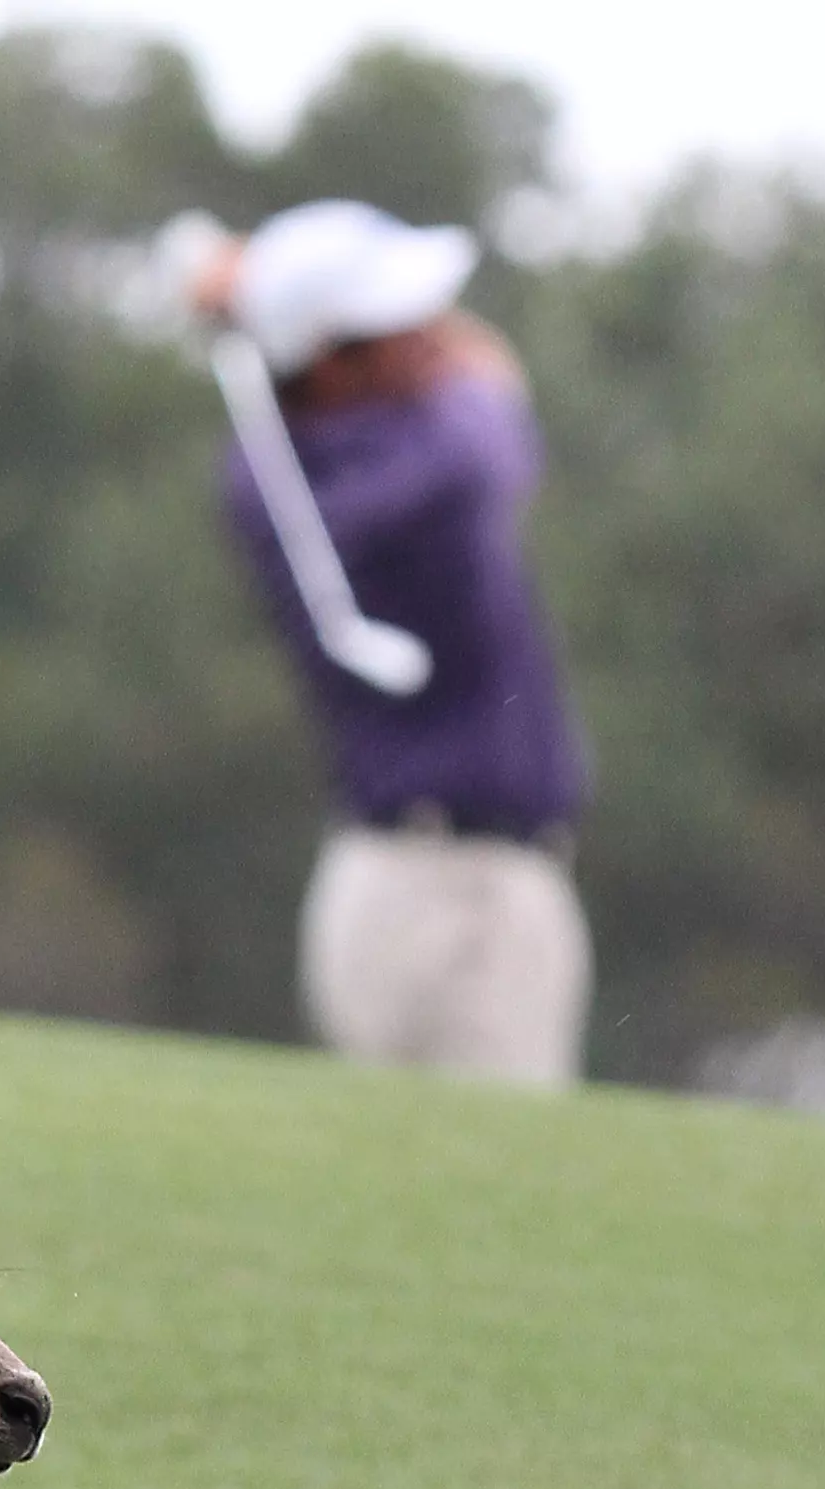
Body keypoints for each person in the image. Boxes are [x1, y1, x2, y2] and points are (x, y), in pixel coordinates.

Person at [190, 200, 592, 1087]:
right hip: (460, 903)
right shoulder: (440, 461)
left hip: (400, 886)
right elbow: (492, 381)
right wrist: (258, 285)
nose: (435, 336)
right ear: (334, 363)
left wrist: (259, 295)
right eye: (403, 323)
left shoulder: (272, 470)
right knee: (509, 1187)